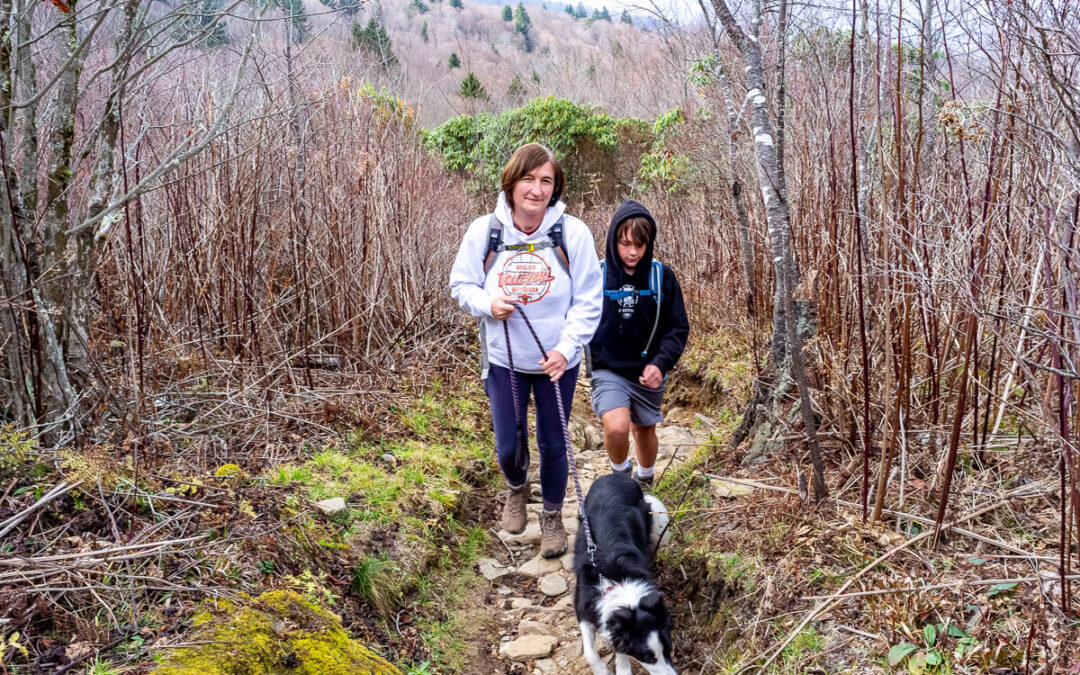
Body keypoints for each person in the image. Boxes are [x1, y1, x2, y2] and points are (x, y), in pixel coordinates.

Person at [449, 143, 602, 558]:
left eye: (546, 181)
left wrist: (567, 347)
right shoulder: (485, 232)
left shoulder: (573, 233)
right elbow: (462, 285)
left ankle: (552, 518)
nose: (536, 190)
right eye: (528, 179)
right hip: (504, 361)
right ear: (512, 183)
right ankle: (516, 489)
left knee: (554, 443)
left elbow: (589, 298)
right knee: (508, 444)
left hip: (557, 363)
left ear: (555, 188)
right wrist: (487, 305)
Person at [588, 200, 689, 488]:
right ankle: (621, 479)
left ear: (649, 244)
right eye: (625, 243)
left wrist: (660, 363)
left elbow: (677, 328)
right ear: (613, 241)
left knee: (644, 431)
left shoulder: (662, 278)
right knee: (617, 426)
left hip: (648, 371)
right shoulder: (596, 275)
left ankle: (645, 481)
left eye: (640, 245)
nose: (632, 252)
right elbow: (576, 317)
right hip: (608, 370)